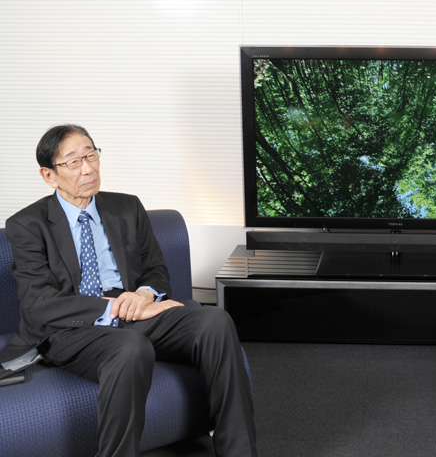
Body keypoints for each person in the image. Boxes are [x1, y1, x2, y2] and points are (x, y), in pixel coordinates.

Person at [0, 124, 257, 457]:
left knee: (214, 321)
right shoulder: (26, 225)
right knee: (130, 347)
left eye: (91, 155)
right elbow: (40, 303)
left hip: (138, 313)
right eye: (74, 161)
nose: (88, 168)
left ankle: (238, 451)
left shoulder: (127, 207)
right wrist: (116, 308)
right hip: (71, 329)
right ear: (49, 175)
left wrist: (144, 295)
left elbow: (156, 271)